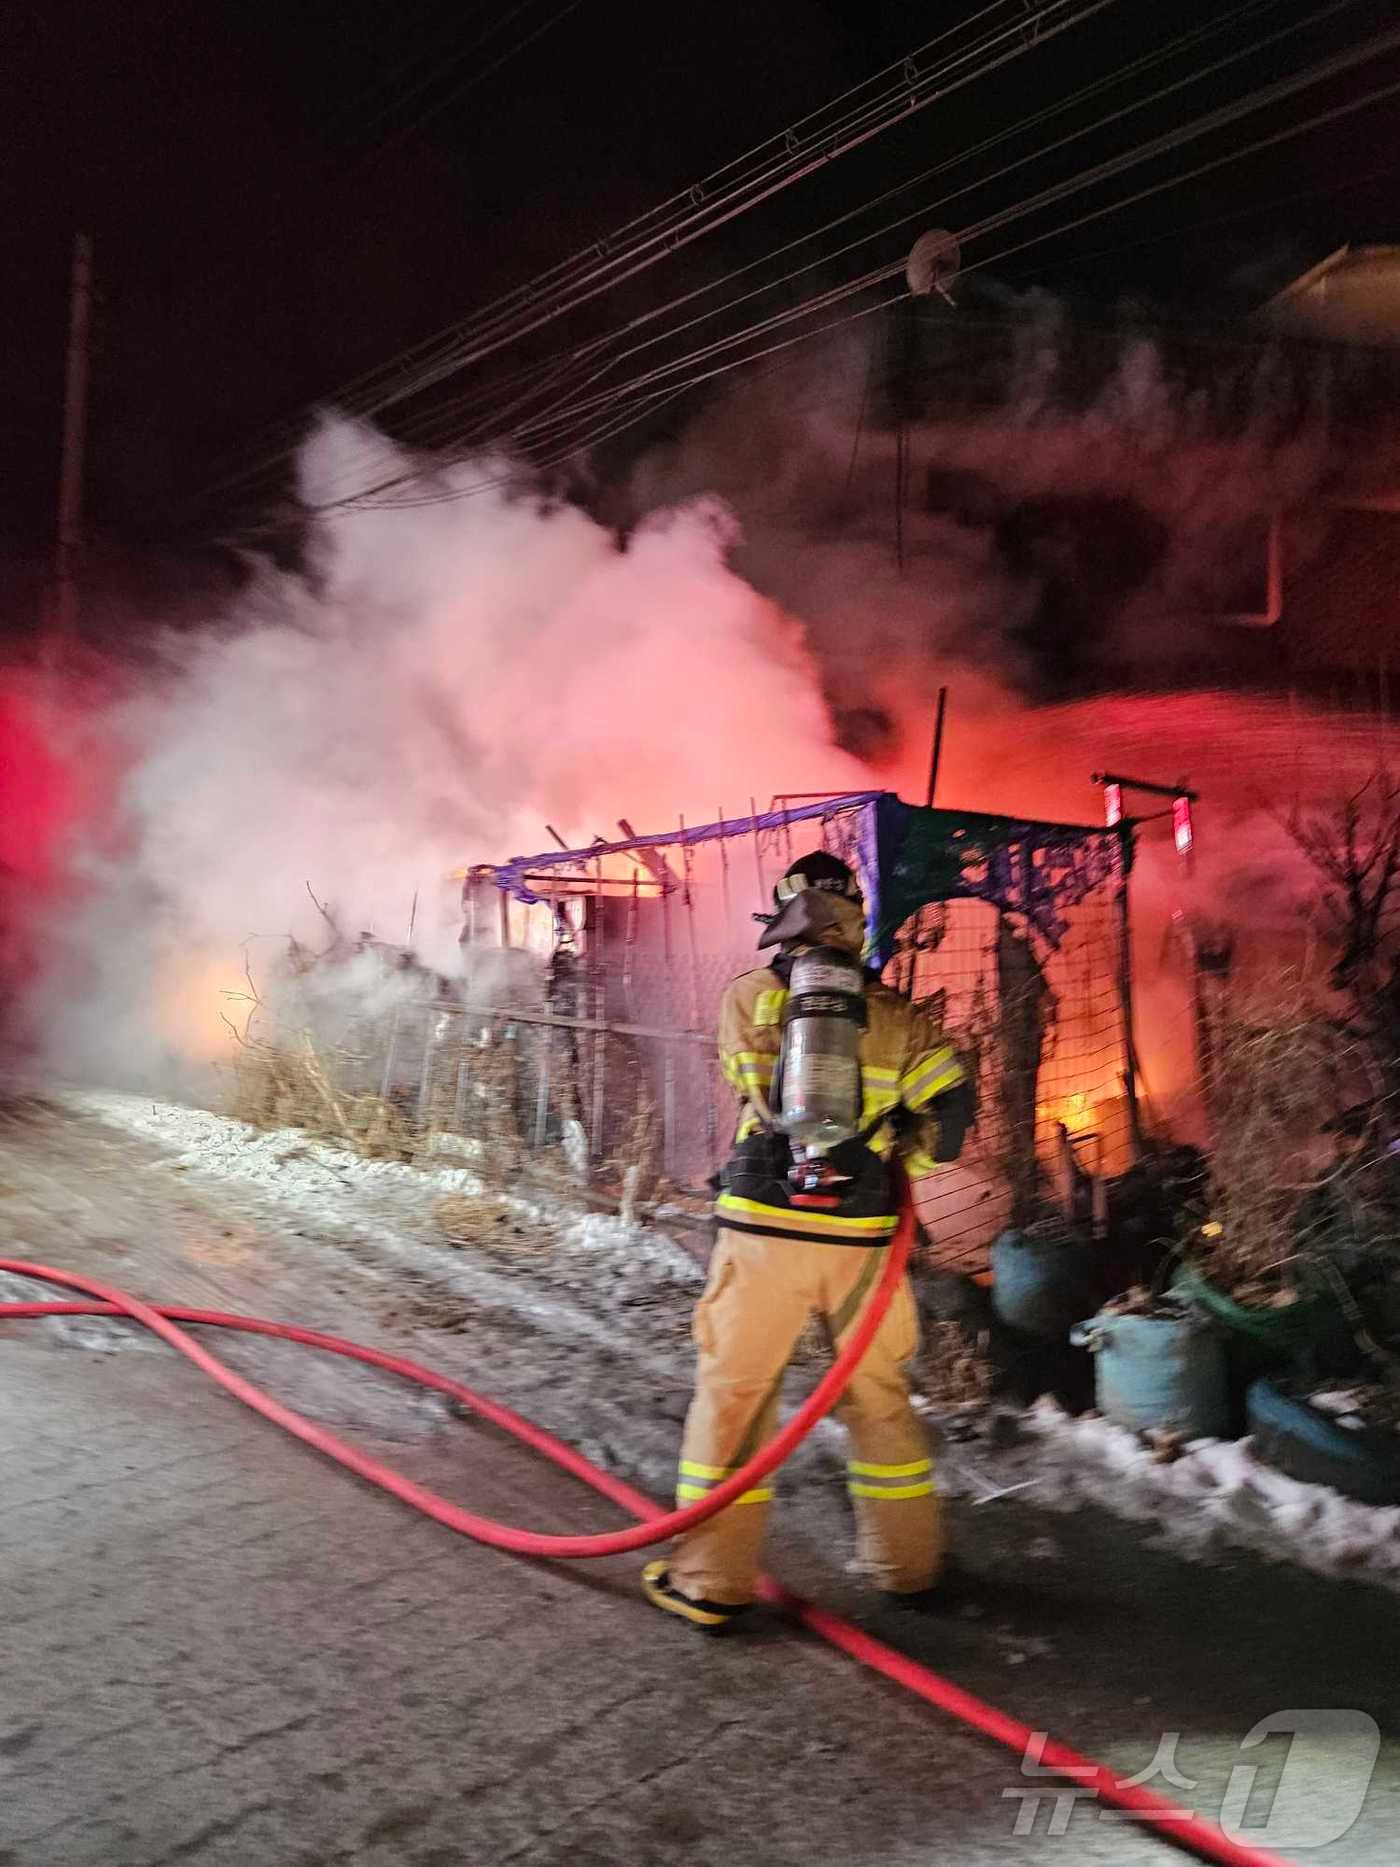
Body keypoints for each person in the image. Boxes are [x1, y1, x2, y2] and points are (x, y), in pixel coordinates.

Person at [643, 850, 973, 1630]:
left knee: (736, 1396)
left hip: (766, 1231)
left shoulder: (748, 998)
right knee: (880, 1400)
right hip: (862, 1237)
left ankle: (710, 1580)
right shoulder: (897, 1014)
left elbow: (746, 1077)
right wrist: (904, 1157)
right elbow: (952, 1114)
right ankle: (909, 1567)